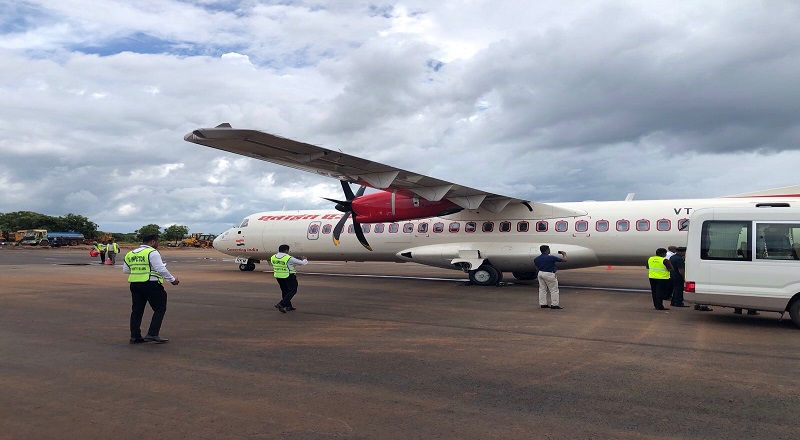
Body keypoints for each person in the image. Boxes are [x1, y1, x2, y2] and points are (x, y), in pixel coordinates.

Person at [122, 234, 179, 344]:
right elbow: (160, 268)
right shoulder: (152, 252)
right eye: (158, 242)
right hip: (151, 284)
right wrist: (172, 280)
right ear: (152, 242)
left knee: (137, 310)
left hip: (134, 284)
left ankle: (135, 336)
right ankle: (152, 333)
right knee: (160, 308)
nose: (158, 244)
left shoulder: (130, 253)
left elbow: (126, 270)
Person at [271, 244, 308, 313]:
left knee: (284, 290)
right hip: (288, 276)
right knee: (293, 290)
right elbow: (302, 263)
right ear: (286, 250)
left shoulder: (273, 257)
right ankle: (282, 304)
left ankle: (288, 306)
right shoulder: (288, 258)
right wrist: (305, 259)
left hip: (278, 276)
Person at [533, 245, 567, 309]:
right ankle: (554, 304)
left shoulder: (536, 259)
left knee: (542, 289)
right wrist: (564, 254)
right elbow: (565, 260)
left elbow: (536, 267)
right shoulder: (551, 257)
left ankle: (543, 304)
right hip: (549, 273)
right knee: (554, 290)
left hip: (540, 273)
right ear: (547, 250)